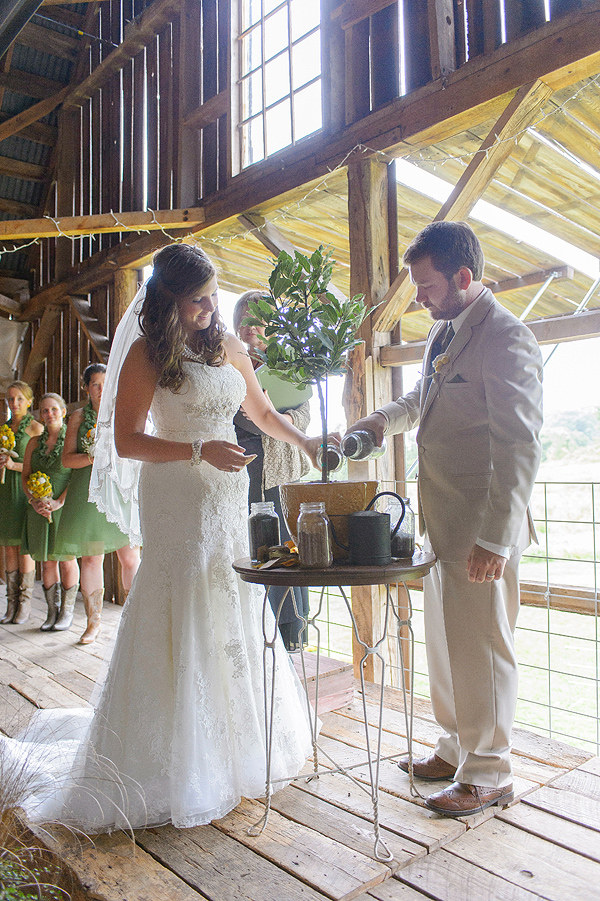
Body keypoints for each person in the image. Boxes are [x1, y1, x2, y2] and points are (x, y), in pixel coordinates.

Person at [5, 243, 326, 833]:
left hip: (227, 493)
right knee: (179, 599)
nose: (209, 306)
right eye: (196, 298)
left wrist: (305, 443)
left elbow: (258, 411)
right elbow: (127, 440)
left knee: (230, 595)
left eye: (212, 295)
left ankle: (236, 747)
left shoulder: (229, 345)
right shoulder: (147, 354)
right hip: (176, 492)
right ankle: (168, 756)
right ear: (168, 298)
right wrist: (200, 449)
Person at [346, 222, 543, 817]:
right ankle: (455, 748)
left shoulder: (507, 338)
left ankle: (489, 772)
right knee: (448, 645)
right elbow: (425, 402)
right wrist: (381, 419)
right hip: (440, 523)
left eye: (427, 286)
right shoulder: (445, 332)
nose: (421, 298)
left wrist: (495, 539)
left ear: (464, 276)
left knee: (483, 649)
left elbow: (520, 446)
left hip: (482, 529)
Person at [233, 292, 311, 651]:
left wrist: (288, 418)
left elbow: (305, 413)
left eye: (258, 319)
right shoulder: (227, 362)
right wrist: (250, 412)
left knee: (289, 549)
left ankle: (292, 635)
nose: (251, 326)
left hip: (284, 474)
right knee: (255, 549)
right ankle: (257, 637)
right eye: (245, 319)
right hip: (244, 472)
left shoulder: (286, 363)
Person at [55, 364, 140, 644]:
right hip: (87, 492)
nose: (101, 389)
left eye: (105, 383)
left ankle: (134, 621)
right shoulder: (78, 417)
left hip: (120, 489)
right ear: (86, 387)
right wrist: (94, 457)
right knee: (91, 558)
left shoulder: (124, 410)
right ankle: (93, 623)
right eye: (95, 384)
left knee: (129, 555)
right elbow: (67, 459)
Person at [21, 394, 80, 632]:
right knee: (46, 562)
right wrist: (34, 500)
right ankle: (51, 612)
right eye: (44, 411)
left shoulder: (72, 439)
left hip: (63, 507)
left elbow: (76, 476)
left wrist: (58, 502)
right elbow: (25, 475)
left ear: (63, 411)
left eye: (54, 409)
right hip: (38, 508)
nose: (49, 414)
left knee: (66, 559)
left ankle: (67, 613)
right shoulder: (34, 443)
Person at [0, 381, 43, 624]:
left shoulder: (35, 428)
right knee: (8, 547)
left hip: (24, 492)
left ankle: (25, 604)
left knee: (23, 546)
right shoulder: (3, 428)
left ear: (29, 401)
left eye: (19, 399)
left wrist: (13, 466)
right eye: (10, 399)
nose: (13, 404)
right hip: (5, 491)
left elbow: (39, 463)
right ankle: (11, 603)